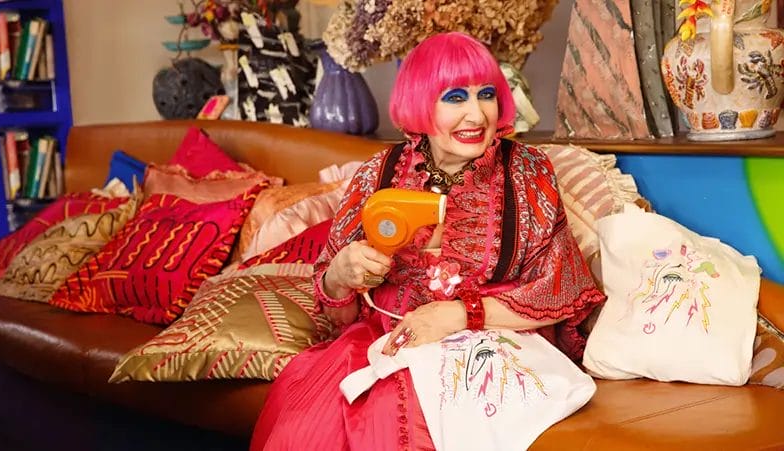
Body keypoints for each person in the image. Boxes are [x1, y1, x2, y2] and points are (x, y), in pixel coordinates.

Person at [250, 31, 605, 451]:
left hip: (491, 341)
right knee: (306, 419)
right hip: (387, 341)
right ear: (421, 102)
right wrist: (341, 275)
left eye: (486, 94)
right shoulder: (378, 173)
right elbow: (336, 314)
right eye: (455, 97)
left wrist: (461, 315)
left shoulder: (526, 171)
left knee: (394, 409)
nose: (476, 115)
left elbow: (560, 289)